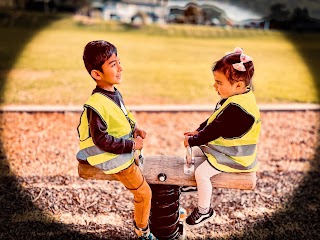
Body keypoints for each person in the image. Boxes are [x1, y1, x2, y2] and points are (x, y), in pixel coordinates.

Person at [76, 40, 156, 239]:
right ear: (97, 74)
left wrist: (135, 128)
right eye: (113, 64)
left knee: (150, 178)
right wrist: (131, 145)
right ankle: (142, 232)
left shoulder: (112, 92)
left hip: (119, 150)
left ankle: (152, 214)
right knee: (144, 193)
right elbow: (101, 140)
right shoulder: (96, 105)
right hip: (111, 156)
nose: (120, 68)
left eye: (119, 62)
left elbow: (121, 115)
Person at [182, 47, 261, 228]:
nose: (214, 86)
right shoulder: (239, 96)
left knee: (202, 173)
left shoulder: (238, 108)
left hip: (235, 156)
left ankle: (204, 210)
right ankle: (195, 185)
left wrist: (194, 139)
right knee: (195, 153)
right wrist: (199, 130)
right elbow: (216, 120)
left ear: (238, 85)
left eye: (219, 82)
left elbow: (215, 129)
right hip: (227, 148)